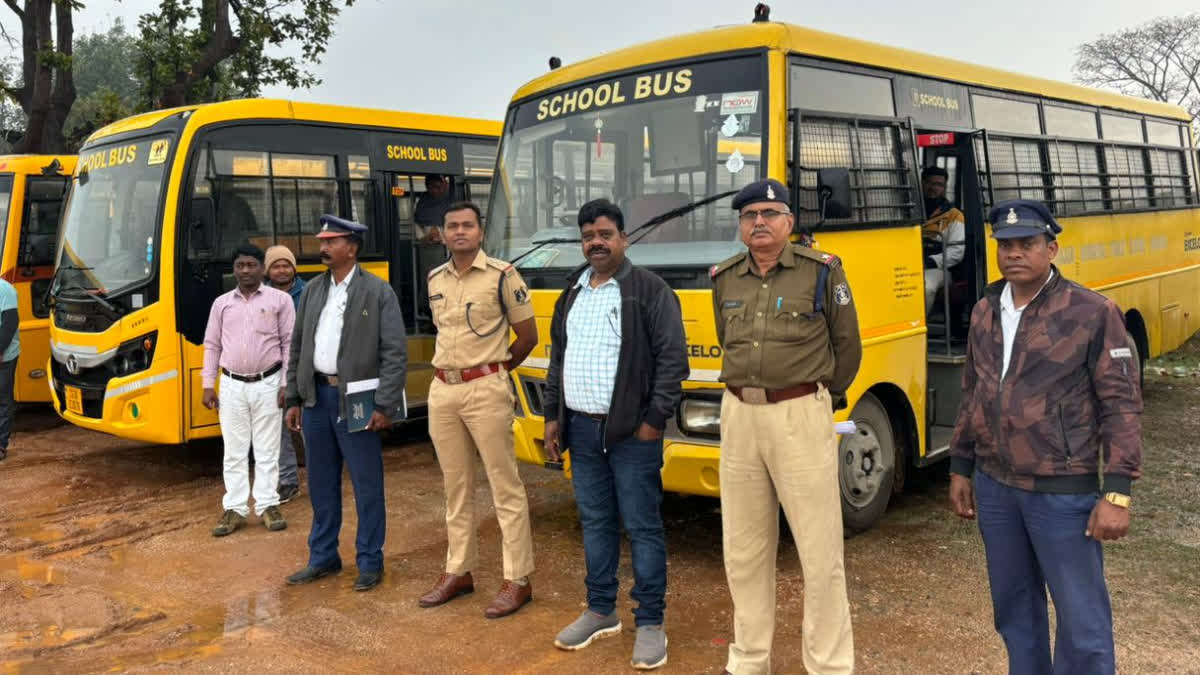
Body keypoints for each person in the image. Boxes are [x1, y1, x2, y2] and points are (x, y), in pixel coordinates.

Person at [948, 199, 1142, 675]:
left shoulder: (1092, 312)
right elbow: (973, 391)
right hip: (996, 487)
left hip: (1062, 489)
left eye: (1027, 244)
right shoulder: (984, 310)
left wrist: (1117, 491)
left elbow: (1121, 404)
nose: (1014, 253)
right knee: (1014, 610)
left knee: (1081, 620)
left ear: (1051, 248)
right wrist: (960, 464)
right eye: (1005, 245)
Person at [709, 178, 862, 675]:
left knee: (819, 551)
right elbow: (725, 340)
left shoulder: (822, 272)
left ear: (789, 223)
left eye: (770, 214)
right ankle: (750, 660)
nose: (759, 223)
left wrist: (817, 399)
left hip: (799, 414)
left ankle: (830, 665)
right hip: (739, 416)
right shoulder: (724, 278)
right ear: (740, 226)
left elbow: (847, 348)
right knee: (745, 548)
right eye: (750, 215)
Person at [543, 199, 688, 670]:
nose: (595, 243)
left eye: (605, 234)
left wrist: (652, 423)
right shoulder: (573, 293)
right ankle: (601, 609)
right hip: (581, 432)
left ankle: (650, 620)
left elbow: (672, 363)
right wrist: (552, 420)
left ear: (623, 238)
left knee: (643, 527)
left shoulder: (650, 291)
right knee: (595, 522)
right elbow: (557, 363)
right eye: (588, 236)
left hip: (632, 435)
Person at [417, 201, 539, 619]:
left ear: (480, 232)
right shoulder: (434, 278)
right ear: (443, 233)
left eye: (468, 225)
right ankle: (458, 570)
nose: (460, 232)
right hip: (443, 390)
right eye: (452, 226)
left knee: (505, 486)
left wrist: (497, 372)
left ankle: (518, 578)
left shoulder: (503, 276)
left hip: (486, 386)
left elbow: (527, 335)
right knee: (456, 487)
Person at [284, 215, 408, 592]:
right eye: (322, 241)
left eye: (331, 242)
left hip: (357, 400)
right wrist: (293, 397)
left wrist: (384, 405)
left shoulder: (377, 291)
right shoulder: (313, 292)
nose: (323, 248)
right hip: (316, 399)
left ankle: (370, 560)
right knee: (321, 485)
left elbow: (394, 352)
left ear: (351, 248)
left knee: (367, 483)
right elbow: (298, 346)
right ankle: (323, 557)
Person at [202, 243, 295, 536]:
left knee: (268, 449)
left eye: (251, 265)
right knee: (234, 450)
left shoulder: (280, 300)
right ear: (234, 270)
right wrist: (208, 384)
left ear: (261, 269)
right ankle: (235, 509)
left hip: (269, 383)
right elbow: (212, 344)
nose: (245, 270)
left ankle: (268, 504)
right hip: (231, 385)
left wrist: (285, 384)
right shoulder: (221, 304)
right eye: (240, 265)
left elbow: (290, 343)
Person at [264, 244, 306, 503]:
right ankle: (288, 481)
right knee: (278, 429)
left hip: (303, 369)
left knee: (307, 426)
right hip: (273, 371)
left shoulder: (310, 292)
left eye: (286, 265)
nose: (282, 270)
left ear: (293, 268)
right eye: (276, 265)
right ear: (269, 270)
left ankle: (324, 476)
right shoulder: (260, 295)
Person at [921, 166, 967, 313]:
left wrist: (929, 261)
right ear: (921, 183)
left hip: (938, 268)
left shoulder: (954, 216)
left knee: (926, 288)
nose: (933, 188)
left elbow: (956, 252)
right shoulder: (909, 211)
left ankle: (920, 328)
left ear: (945, 187)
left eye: (938, 184)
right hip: (908, 265)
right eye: (929, 183)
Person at [0, 277, 19, 461]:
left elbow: (10, 322)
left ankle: (1, 444)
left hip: (4, 357)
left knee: (3, 401)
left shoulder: (5, 290)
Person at [414, 175, 450, 243]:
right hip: (426, 246)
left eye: (438, 187)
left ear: (445, 186)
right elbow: (416, 221)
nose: (434, 190)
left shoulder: (452, 197)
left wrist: (441, 235)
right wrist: (423, 238)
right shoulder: (423, 199)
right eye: (430, 188)